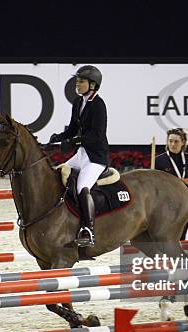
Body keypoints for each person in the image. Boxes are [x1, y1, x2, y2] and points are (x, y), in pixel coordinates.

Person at [49, 65, 109, 247]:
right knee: (58, 174)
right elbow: (74, 128)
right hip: (82, 154)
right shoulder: (78, 102)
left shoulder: (99, 105)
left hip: (96, 157)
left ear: (93, 85)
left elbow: (96, 135)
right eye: (77, 81)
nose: (77, 84)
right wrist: (59, 138)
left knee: (83, 186)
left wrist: (73, 142)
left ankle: (88, 229)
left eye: (81, 81)